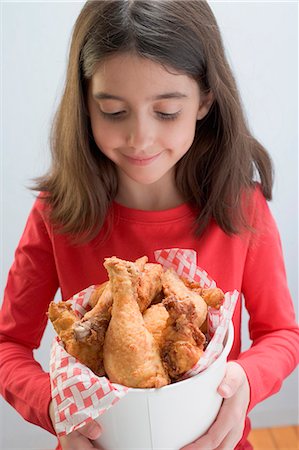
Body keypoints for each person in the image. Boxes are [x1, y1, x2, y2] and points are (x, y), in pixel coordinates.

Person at [0, 1, 298, 449]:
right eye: (114, 112)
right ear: (85, 105)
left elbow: (283, 334)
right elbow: (8, 346)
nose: (140, 139)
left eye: (166, 112)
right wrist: (55, 406)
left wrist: (244, 383)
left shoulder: (241, 207)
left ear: (204, 102)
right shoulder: (56, 211)